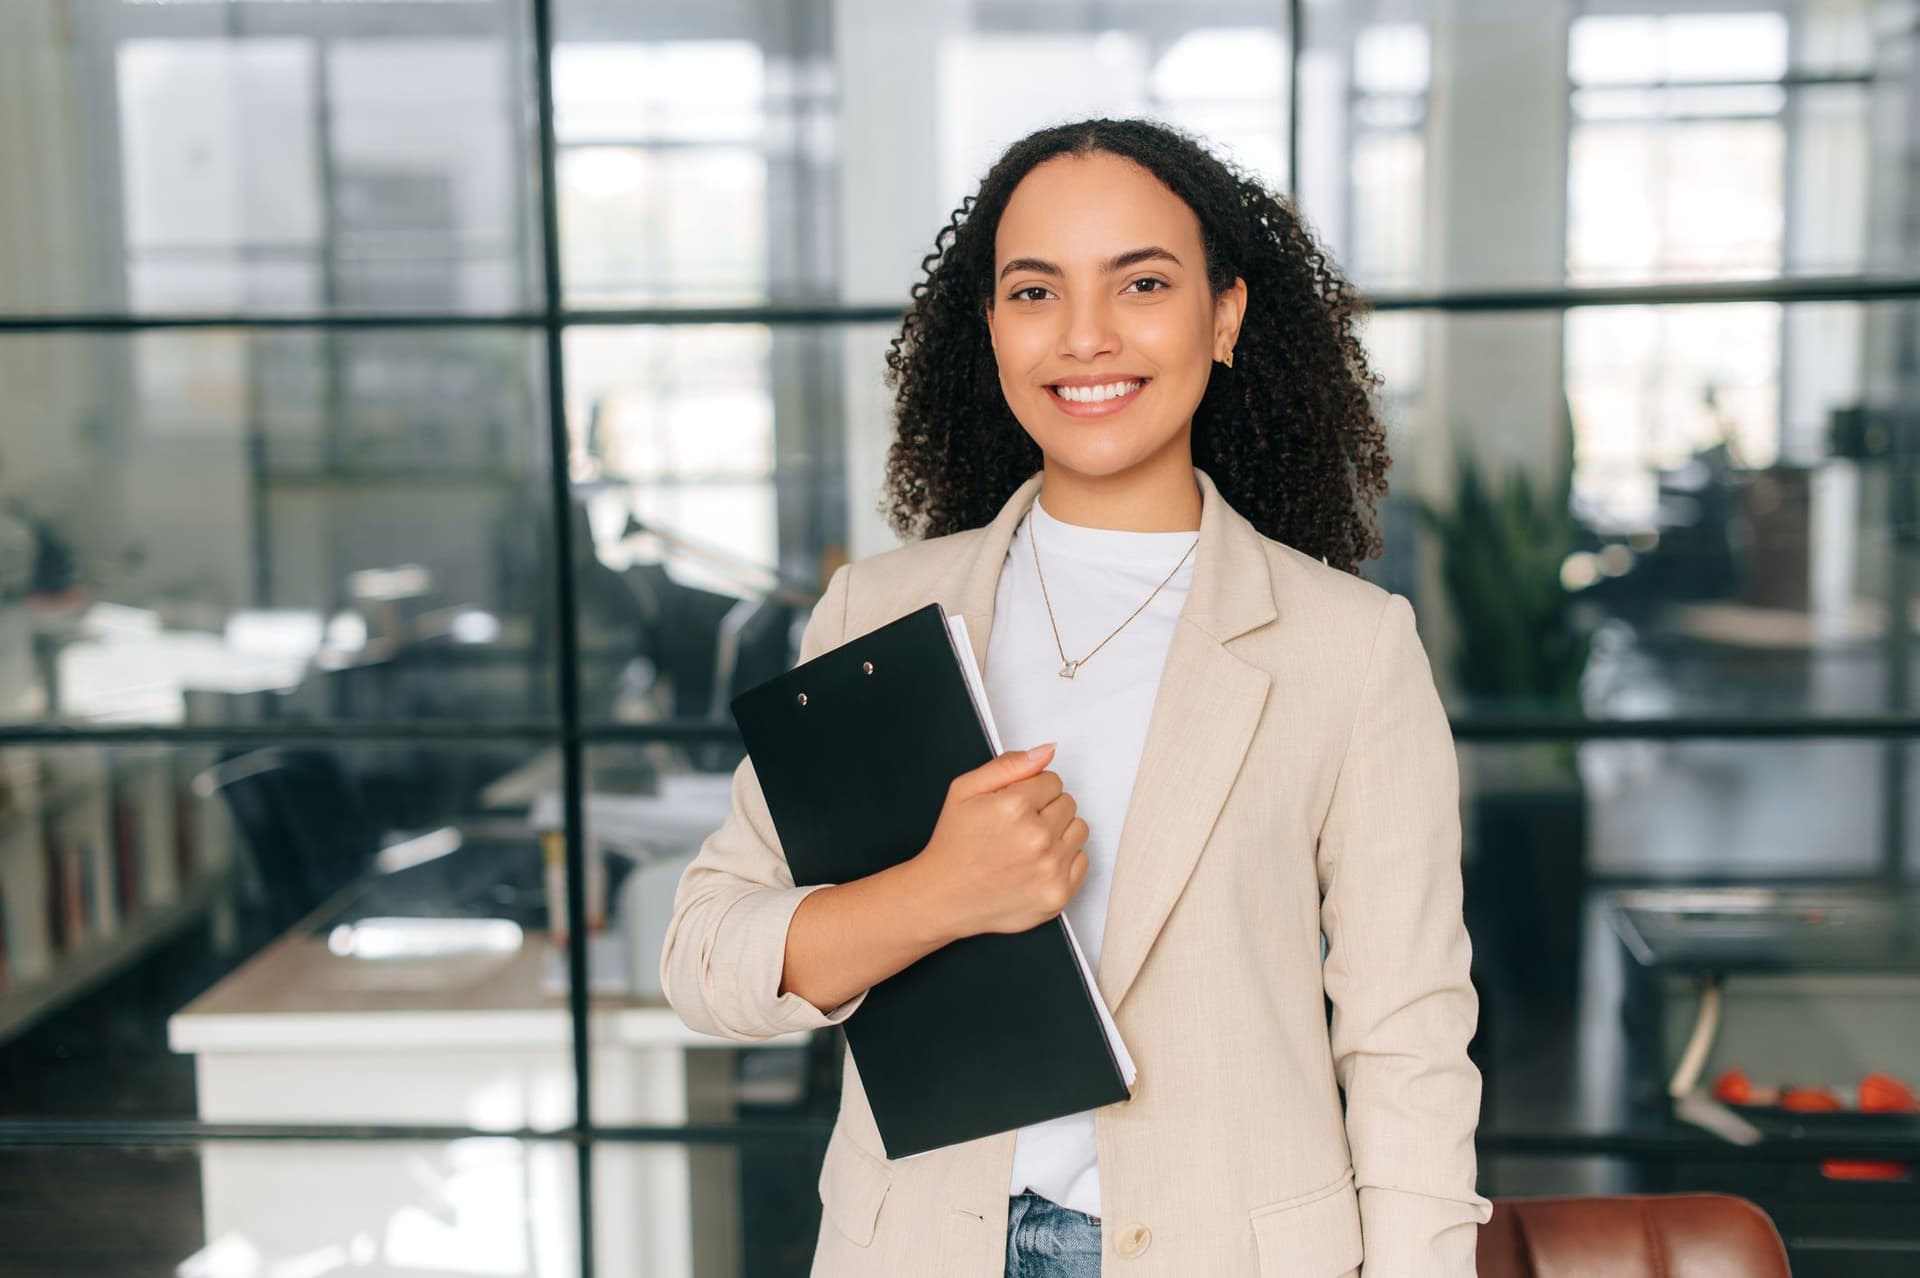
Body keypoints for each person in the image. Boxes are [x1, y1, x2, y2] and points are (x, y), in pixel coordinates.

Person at [659, 117, 1490, 1277]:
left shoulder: (1350, 648)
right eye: (1035, 291)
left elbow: (1407, 1043)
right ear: (991, 329)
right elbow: (706, 958)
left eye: (1142, 282)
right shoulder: (877, 618)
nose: (1086, 336)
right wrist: (936, 895)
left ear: (1225, 313)